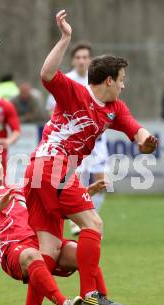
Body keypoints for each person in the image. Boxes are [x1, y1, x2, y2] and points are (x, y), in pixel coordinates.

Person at [24, 9, 158, 305]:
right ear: (109, 80)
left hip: (41, 171)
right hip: (50, 166)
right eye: (122, 80)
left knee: (49, 248)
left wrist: (147, 142)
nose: (124, 85)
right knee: (93, 223)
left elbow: (136, 130)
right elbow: (46, 75)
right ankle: (90, 294)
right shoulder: (75, 93)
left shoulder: (114, 108)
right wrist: (65, 38)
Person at [0, 141, 135, 305]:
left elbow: (53, 213)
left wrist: (86, 194)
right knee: (33, 255)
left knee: (83, 254)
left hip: (43, 243)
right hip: (13, 251)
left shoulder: (19, 189)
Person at [47, 41, 109, 236]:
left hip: (98, 142)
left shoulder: (99, 82)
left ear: (90, 60)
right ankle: (78, 222)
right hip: (74, 143)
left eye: (85, 57)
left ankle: (87, 219)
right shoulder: (67, 80)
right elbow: (52, 109)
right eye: (78, 57)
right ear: (73, 61)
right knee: (77, 181)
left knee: (103, 182)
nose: (82, 61)